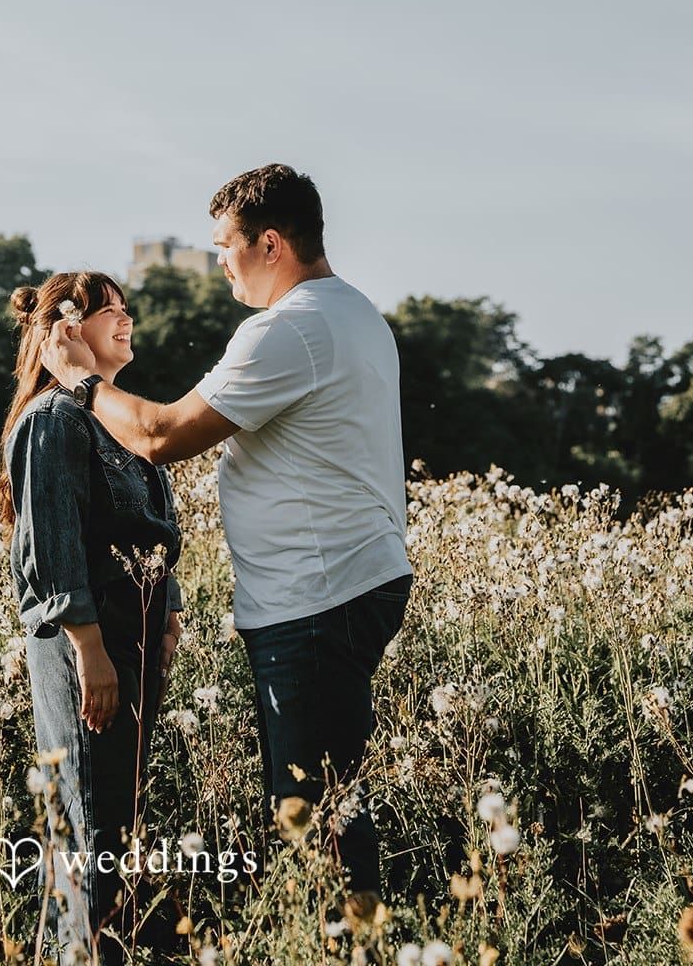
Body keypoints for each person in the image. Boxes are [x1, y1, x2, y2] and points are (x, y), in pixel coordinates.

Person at [42, 165, 412, 901]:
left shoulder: (293, 327)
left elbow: (159, 433)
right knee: (324, 798)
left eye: (224, 245)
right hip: (341, 583)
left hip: (317, 596)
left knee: (315, 812)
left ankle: (344, 946)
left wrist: (81, 382)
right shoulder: (355, 314)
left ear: (269, 243)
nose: (217, 260)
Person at [0, 271, 183, 964]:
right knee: (91, 816)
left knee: (117, 813)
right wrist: (89, 648)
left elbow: (157, 526)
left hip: (131, 634)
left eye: (127, 309)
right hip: (90, 640)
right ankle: (87, 951)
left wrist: (170, 612)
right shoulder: (52, 421)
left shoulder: (116, 416)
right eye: (112, 313)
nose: (127, 321)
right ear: (70, 331)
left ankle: (92, 949)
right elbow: (52, 544)